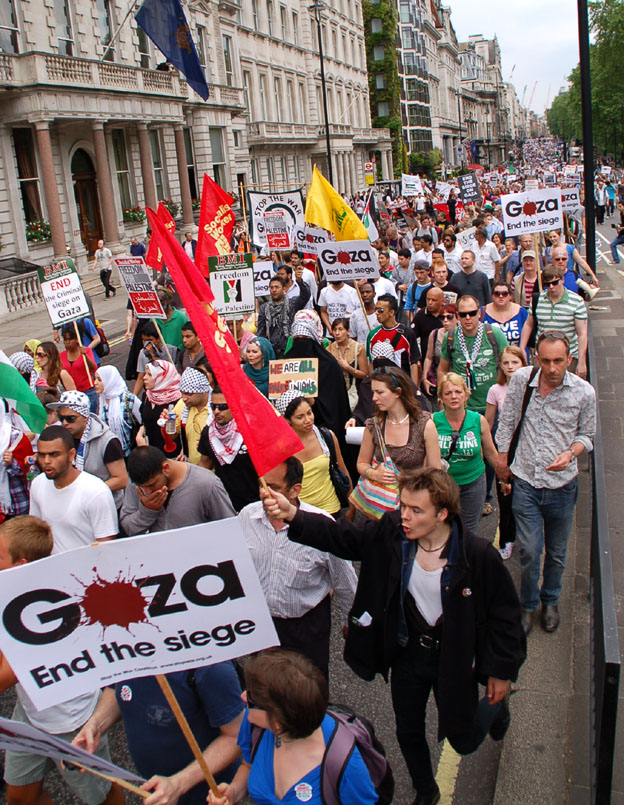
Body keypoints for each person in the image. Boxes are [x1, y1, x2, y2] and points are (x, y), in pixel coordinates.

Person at [261, 467, 526, 805]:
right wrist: (294, 516)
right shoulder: (392, 533)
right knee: (409, 729)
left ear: (442, 514)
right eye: (402, 506)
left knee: (462, 739)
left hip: (453, 658)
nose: (405, 516)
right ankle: (426, 789)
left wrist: (501, 671)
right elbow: (346, 538)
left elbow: (506, 617)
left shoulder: (477, 556)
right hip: (408, 653)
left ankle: (494, 709)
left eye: (416, 511)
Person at [0, 516, 125, 805]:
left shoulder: (39, 615)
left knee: (101, 797)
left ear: (19, 566)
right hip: (30, 713)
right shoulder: (12, 590)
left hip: (71, 723)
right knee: (19, 797)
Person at [496, 331, 596, 634]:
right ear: (537, 358)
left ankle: (550, 600)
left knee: (556, 552)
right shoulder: (522, 381)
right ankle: (527, 604)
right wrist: (502, 460)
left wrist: (570, 453)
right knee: (529, 550)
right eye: (547, 361)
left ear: (569, 359)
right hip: (526, 480)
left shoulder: (584, 392)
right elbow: (508, 421)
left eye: (559, 361)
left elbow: (586, 436)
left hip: (562, 486)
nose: (552, 368)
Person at [208, 650, 377, 805]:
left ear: (278, 722)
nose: (243, 696)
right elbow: (249, 765)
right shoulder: (254, 724)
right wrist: (233, 792)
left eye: (253, 699)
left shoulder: (347, 765)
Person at [238, 462, 357, 678]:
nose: (264, 493)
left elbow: (345, 582)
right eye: (262, 485)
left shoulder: (321, 525)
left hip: (306, 630)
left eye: (273, 487)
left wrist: (351, 622)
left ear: (295, 490)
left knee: (305, 695)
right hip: (262, 627)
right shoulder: (247, 516)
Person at [74, 661, 243, 805]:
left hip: (207, 794)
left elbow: (236, 736)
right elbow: (118, 686)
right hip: (158, 788)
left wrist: (178, 784)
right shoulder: (126, 647)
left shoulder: (211, 668)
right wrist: (96, 724)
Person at [356, 368, 441, 514]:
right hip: (382, 507)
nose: (374, 398)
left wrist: (408, 479)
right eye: (373, 392)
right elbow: (361, 463)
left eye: (380, 392)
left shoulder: (424, 425)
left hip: (415, 505)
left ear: (398, 392)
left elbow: (435, 471)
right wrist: (373, 473)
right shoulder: (373, 426)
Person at [29, 425, 118, 552]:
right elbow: (35, 533)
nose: (46, 461)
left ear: (71, 455)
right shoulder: (37, 484)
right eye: (42, 455)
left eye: (54, 454)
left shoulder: (96, 492)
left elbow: (106, 547)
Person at [434, 373, 499, 534]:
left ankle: (464, 558)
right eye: (448, 393)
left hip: (473, 483)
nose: (454, 397)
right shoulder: (433, 421)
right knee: (443, 529)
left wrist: (504, 477)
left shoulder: (478, 420)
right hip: (444, 486)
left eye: (458, 392)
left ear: (466, 395)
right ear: (441, 398)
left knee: (468, 530)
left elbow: (491, 453)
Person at [120, 445, 235, 535]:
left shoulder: (206, 483)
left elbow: (230, 528)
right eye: (143, 488)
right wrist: (148, 511)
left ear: (165, 468)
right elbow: (129, 528)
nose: (148, 492)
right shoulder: (137, 484)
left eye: (152, 485)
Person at [48, 390, 128, 509]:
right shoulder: (59, 437)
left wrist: (88, 493)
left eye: (71, 418)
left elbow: (121, 479)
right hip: (68, 504)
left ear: (85, 418)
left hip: (102, 506)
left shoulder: (107, 441)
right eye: (61, 418)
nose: (64, 423)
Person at [284, 318, 352, 453]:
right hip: (293, 431)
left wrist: (314, 402)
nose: (301, 342)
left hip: (324, 429)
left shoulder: (329, 365)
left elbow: (336, 406)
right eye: (297, 338)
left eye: (304, 338)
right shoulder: (285, 364)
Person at [485, 346, 528, 560]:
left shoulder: (530, 388)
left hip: (525, 449)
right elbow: (490, 422)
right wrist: (491, 451)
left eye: (515, 362)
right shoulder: (496, 390)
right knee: (505, 496)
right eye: (506, 363)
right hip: (504, 450)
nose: (510, 367)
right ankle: (507, 538)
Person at [279, 395, 352, 517]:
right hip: (300, 514)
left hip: (331, 510)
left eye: (309, 413)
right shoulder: (281, 448)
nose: (308, 420)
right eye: (300, 417)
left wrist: (352, 505)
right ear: (288, 420)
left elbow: (343, 469)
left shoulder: (327, 437)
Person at [437, 295, 508, 414]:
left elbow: (509, 364)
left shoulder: (494, 334)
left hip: (492, 405)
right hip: (462, 406)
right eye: (463, 314)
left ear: (479, 313)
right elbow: (442, 370)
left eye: (472, 313)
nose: (468, 318)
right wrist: (442, 400)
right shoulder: (450, 337)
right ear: (458, 316)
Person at [519, 263, 588, 378]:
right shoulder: (537, 300)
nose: (551, 287)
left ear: (562, 280)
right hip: (542, 357)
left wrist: (582, 361)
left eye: (554, 282)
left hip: (568, 359)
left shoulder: (577, 302)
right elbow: (528, 325)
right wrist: (522, 348)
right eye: (547, 284)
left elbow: (582, 334)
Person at [197, 388, 260, 512]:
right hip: (225, 505)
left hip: (255, 503)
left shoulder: (251, 429)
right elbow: (204, 464)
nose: (216, 411)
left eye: (222, 406)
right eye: (213, 406)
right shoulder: (208, 433)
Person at [366, 294, 422, 384]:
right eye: (376, 310)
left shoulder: (407, 333)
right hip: (381, 385)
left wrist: (414, 389)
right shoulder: (372, 335)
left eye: (380, 310)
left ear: (391, 312)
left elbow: (414, 363)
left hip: (402, 384)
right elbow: (371, 363)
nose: (376, 313)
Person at [257, 275, 310, 358]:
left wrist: (300, 282)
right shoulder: (264, 308)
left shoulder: (292, 304)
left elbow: (305, 296)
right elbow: (261, 331)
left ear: (284, 289)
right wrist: (263, 349)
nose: (274, 290)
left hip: (291, 349)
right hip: (272, 351)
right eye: (271, 288)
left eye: (277, 287)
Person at [95, 365, 142, 458]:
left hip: (131, 453)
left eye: (99, 380)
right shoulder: (101, 400)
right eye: (95, 379)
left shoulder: (129, 399)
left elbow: (143, 421)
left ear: (109, 381)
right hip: (111, 453)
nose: (95, 383)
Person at [138, 360, 182, 454]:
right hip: (151, 452)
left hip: (171, 454)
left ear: (163, 377)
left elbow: (178, 431)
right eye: (145, 374)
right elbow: (144, 420)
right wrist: (139, 435)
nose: (144, 378)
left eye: (150, 375)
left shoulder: (177, 400)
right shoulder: (147, 396)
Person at [327, 318, 368, 410]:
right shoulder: (329, 348)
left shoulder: (358, 348)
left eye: (340, 329)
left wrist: (347, 368)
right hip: (335, 394)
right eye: (334, 330)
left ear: (348, 331)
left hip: (355, 392)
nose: (337, 333)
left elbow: (364, 374)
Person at [174, 367, 212, 465]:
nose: (184, 398)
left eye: (189, 394)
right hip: (192, 467)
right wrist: (166, 425)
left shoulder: (217, 410)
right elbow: (171, 437)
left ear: (203, 391)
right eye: (182, 393)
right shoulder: (181, 405)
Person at [59, 324, 98, 412]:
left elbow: (93, 368)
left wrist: (85, 355)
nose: (67, 342)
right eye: (65, 339)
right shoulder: (61, 356)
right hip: (72, 395)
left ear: (77, 339)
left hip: (88, 392)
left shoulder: (86, 351)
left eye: (70, 339)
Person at [134, 322, 180, 396]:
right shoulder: (143, 353)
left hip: (168, 393)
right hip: (152, 394)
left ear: (158, 339)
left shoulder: (171, 351)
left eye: (150, 340)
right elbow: (140, 377)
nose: (147, 343)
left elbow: (164, 372)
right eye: (144, 340)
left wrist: (153, 354)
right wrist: (133, 397)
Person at [422, 303, 457, 400]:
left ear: (457, 317)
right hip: (438, 380)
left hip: (458, 380)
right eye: (442, 317)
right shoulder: (434, 334)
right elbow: (429, 357)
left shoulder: (461, 335)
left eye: (449, 317)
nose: (445, 321)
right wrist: (425, 378)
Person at [482, 281, 528, 347]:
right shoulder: (483, 311)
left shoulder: (521, 312)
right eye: (497, 294)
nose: (501, 296)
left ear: (510, 296)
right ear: (492, 296)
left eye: (504, 294)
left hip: (516, 354)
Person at [411, 287, 444, 363]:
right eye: (428, 299)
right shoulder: (421, 315)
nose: (430, 302)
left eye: (434, 300)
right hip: (427, 359)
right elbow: (412, 336)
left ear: (442, 301)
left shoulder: (447, 316)